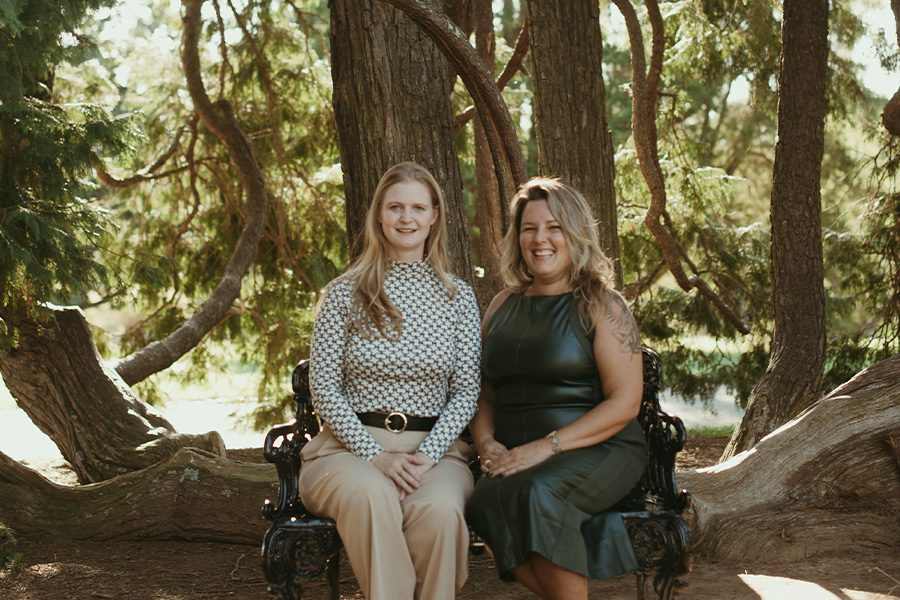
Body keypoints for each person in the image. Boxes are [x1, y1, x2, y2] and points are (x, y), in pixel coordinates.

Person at [297, 161, 481, 600]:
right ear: (379, 214)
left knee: (439, 512)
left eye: (418, 208)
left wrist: (429, 455)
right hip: (347, 450)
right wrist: (375, 455)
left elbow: (467, 390)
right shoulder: (345, 293)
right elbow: (324, 387)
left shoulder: (458, 297)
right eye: (395, 207)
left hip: (433, 455)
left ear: (434, 215)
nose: (406, 218)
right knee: (373, 495)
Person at [466, 177, 649, 600]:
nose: (540, 239)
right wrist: (486, 442)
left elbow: (625, 402)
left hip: (602, 447)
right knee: (481, 502)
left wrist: (547, 446)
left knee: (538, 491)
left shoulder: (603, 304)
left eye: (554, 227)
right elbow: (485, 392)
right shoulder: (501, 305)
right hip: (518, 453)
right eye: (529, 229)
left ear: (575, 232)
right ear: (517, 238)